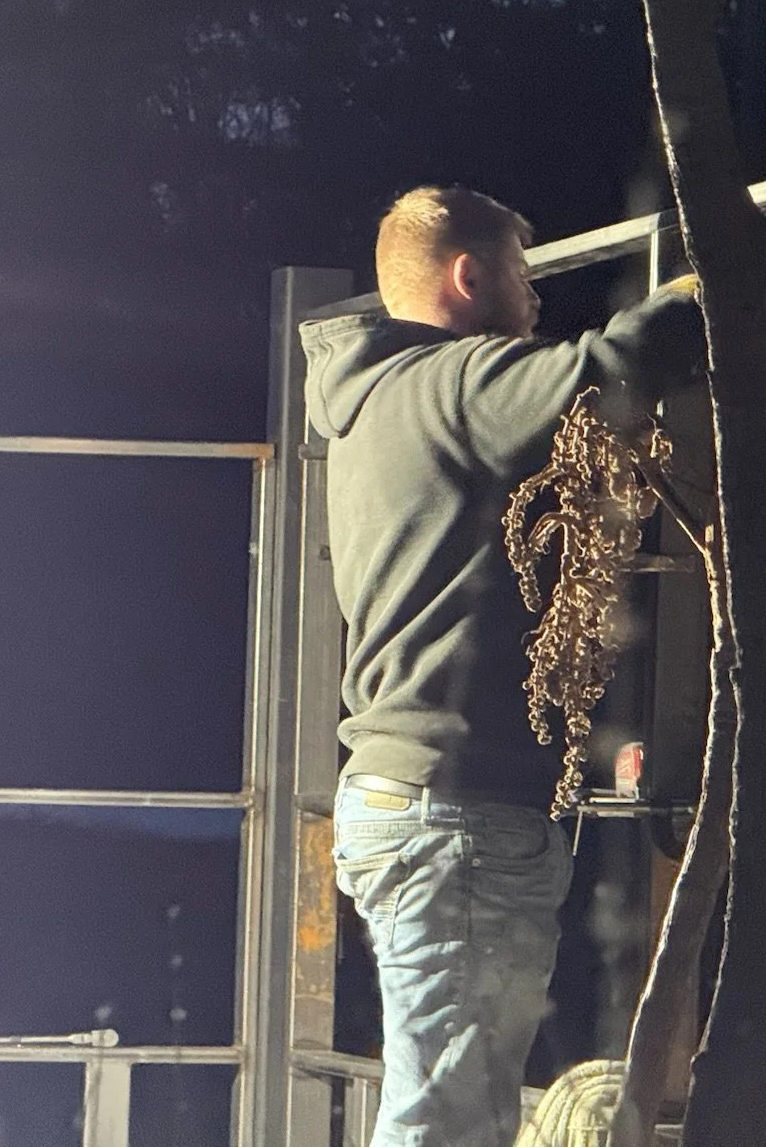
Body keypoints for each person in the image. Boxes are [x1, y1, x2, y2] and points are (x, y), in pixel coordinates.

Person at [300, 185, 703, 1147]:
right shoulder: (454, 383)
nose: (535, 300)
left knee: (443, 1099)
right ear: (468, 276)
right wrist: (697, 295)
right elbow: (602, 375)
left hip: (401, 794)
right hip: (458, 813)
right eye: (523, 276)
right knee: (447, 1120)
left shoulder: (372, 403)